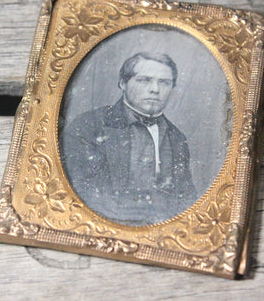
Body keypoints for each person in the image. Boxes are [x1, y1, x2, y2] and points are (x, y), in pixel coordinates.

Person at [61, 52, 196, 225]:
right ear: (123, 83)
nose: (155, 89)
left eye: (164, 82)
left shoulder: (176, 138)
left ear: (172, 89)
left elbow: (186, 199)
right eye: (144, 80)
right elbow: (82, 194)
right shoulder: (88, 127)